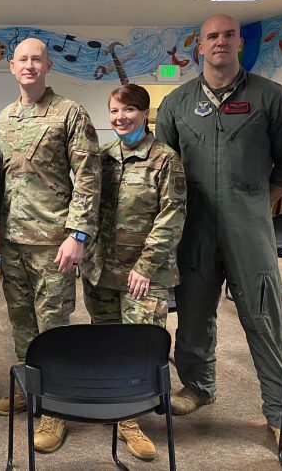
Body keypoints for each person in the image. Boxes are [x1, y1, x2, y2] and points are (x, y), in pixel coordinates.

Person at [156, 13, 282, 462]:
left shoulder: (272, 97)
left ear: (239, 43)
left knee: (264, 316)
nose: (220, 42)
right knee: (194, 310)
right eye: (211, 37)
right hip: (194, 227)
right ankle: (198, 386)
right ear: (198, 47)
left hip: (249, 226)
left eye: (227, 35)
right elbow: (163, 165)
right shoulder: (177, 104)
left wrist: (258, 203)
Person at [0, 38, 101, 453]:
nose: (30, 66)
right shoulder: (5, 117)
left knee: (53, 328)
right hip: (14, 242)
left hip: (54, 243)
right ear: (12, 66)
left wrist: (78, 235)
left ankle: (55, 410)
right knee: (21, 324)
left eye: (37, 59)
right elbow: (0, 181)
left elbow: (88, 178)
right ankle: (28, 389)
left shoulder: (69, 113)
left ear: (48, 65)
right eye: (23, 59)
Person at [81, 83, 186, 460]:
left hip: (145, 275)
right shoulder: (103, 156)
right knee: (106, 342)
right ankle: (112, 406)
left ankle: (131, 418)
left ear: (144, 112)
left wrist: (145, 265)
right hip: (102, 272)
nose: (120, 118)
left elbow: (171, 217)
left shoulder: (164, 159)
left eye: (128, 110)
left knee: (140, 347)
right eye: (113, 111)